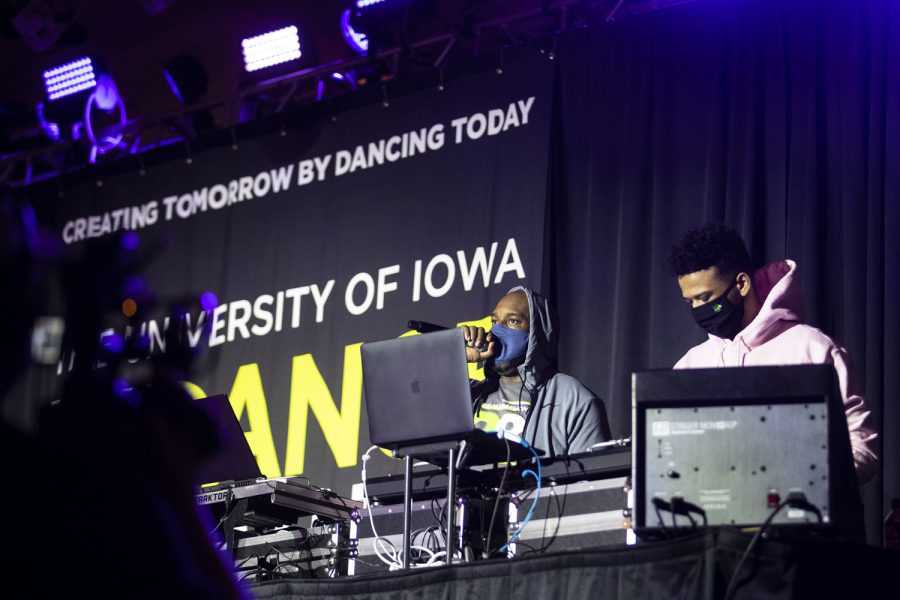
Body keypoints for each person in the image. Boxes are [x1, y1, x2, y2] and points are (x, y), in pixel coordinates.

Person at [669, 222, 878, 483]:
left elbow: (861, 447)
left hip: (802, 520)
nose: (698, 309)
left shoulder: (813, 350)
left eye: (705, 297)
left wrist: (804, 483)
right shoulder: (688, 367)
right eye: (691, 302)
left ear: (742, 284)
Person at [461, 286, 612, 457]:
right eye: (495, 322)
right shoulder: (469, 394)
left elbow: (591, 478)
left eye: (512, 321)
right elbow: (424, 398)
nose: (496, 332)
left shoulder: (575, 401)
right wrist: (454, 352)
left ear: (537, 332)